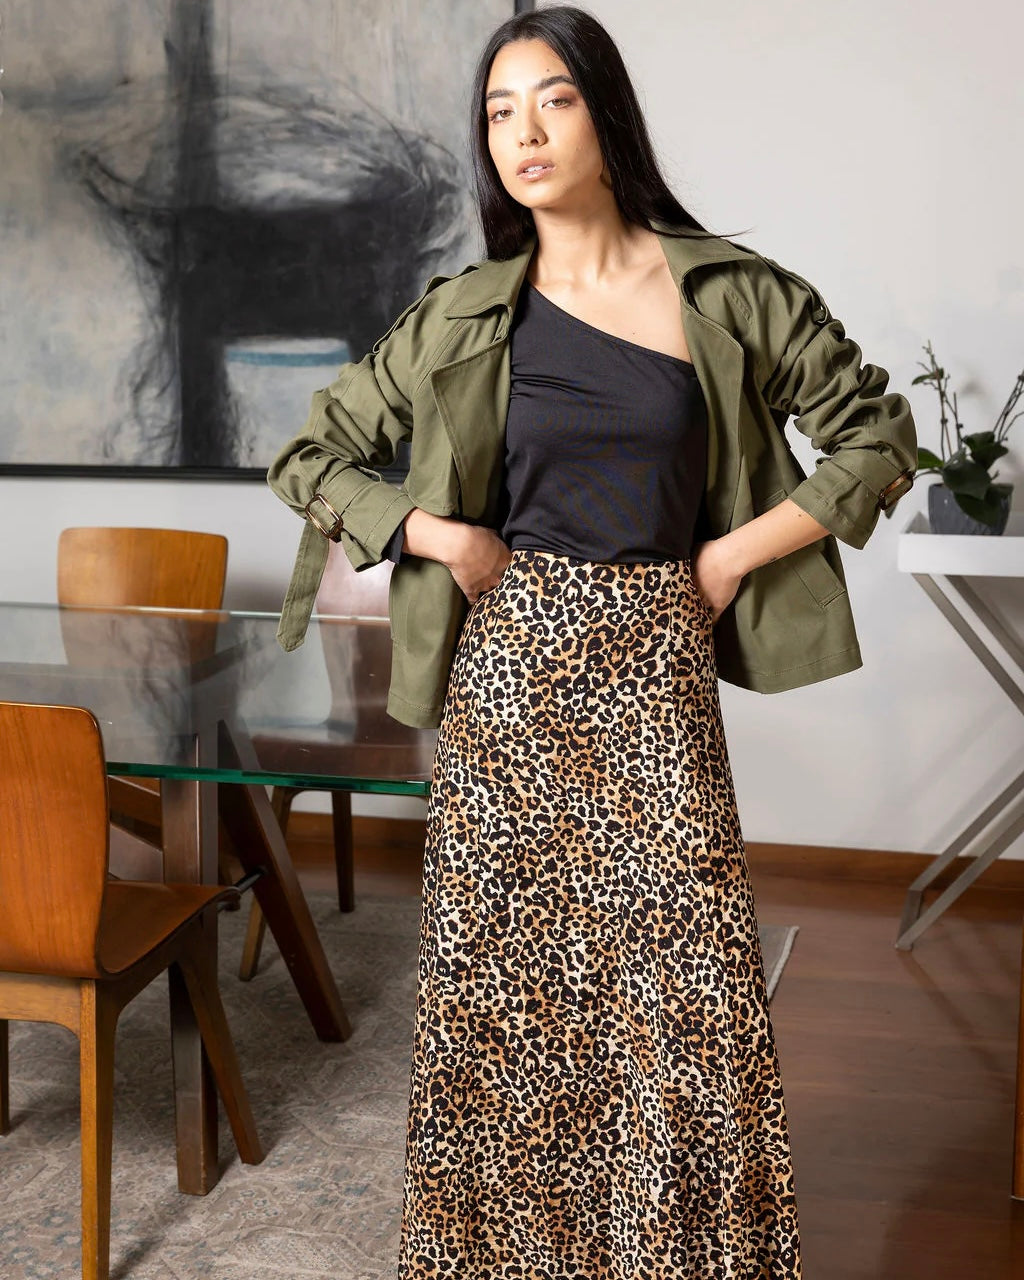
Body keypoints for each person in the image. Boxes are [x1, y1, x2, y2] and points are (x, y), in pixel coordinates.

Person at [267, 7, 917, 1277]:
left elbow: (876, 439)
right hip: (509, 679)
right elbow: (310, 455)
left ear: (605, 115)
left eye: (551, 100)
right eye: (498, 111)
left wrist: (727, 557)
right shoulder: (464, 313)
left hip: (655, 671)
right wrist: (441, 536)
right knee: (512, 1005)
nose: (523, 132)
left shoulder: (727, 292)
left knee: (686, 1002)